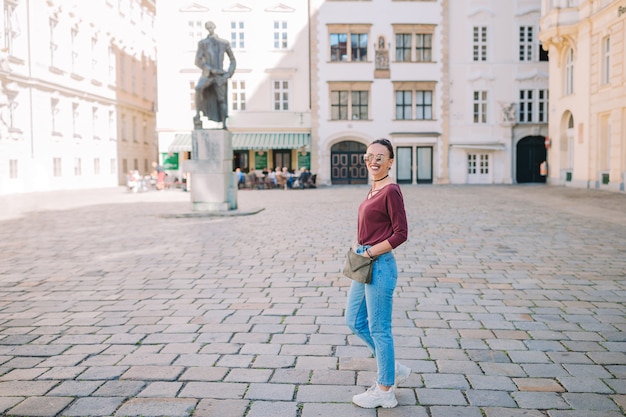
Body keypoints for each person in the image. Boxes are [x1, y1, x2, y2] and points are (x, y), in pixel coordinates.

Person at [345, 138, 410, 409]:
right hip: (364, 261)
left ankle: (385, 390)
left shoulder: (391, 190)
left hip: (379, 264)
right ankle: (392, 367)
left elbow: (401, 234)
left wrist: (370, 252)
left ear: (390, 162)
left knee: (379, 328)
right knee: (354, 321)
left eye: (380, 157)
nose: (373, 161)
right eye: (369, 156)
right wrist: (360, 248)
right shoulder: (373, 188)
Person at [193, 21, 236, 128]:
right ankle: (198, 115)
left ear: (214, 27)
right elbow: (197, 60)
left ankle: (224, 123)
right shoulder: (203, 43)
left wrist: (228, 74)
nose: (210, 29)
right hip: (208, 74)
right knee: (198, 89)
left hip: (220, 75)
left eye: (211, 27)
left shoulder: (224, 43)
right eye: (208, 27)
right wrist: (208, 69)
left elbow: (233, 60)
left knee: (221, 99)